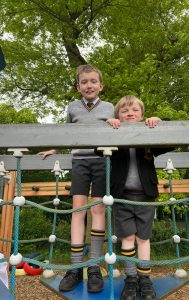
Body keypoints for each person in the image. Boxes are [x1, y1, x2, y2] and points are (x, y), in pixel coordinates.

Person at [39, 64, 114, 293]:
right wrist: (54, 148)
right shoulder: (73, 107)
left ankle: (93, 266)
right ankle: (75, 267)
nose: (89, 85)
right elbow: (66, 132)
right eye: (84, 82)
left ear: (101, 85)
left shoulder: (110, 107)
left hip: (102, 161)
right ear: (78, 86)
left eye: (93, 81)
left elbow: (121, 129)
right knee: (78, 210)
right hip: (80, 162)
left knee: (98, 209)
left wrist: (114, 125)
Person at [107, 95, 172, 300]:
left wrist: (159, 123)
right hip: (122, 195)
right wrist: (107, 126)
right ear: (118, 115)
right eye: (124, 111)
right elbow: (96, 147)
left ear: (142, 114)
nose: (130, 114)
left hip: (145, 195)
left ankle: (145, 278)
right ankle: (131, 278)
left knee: (143, 238)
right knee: (127, 238)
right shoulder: (113, 134)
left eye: (134, 110)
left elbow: (171, 142)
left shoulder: (149, 134)